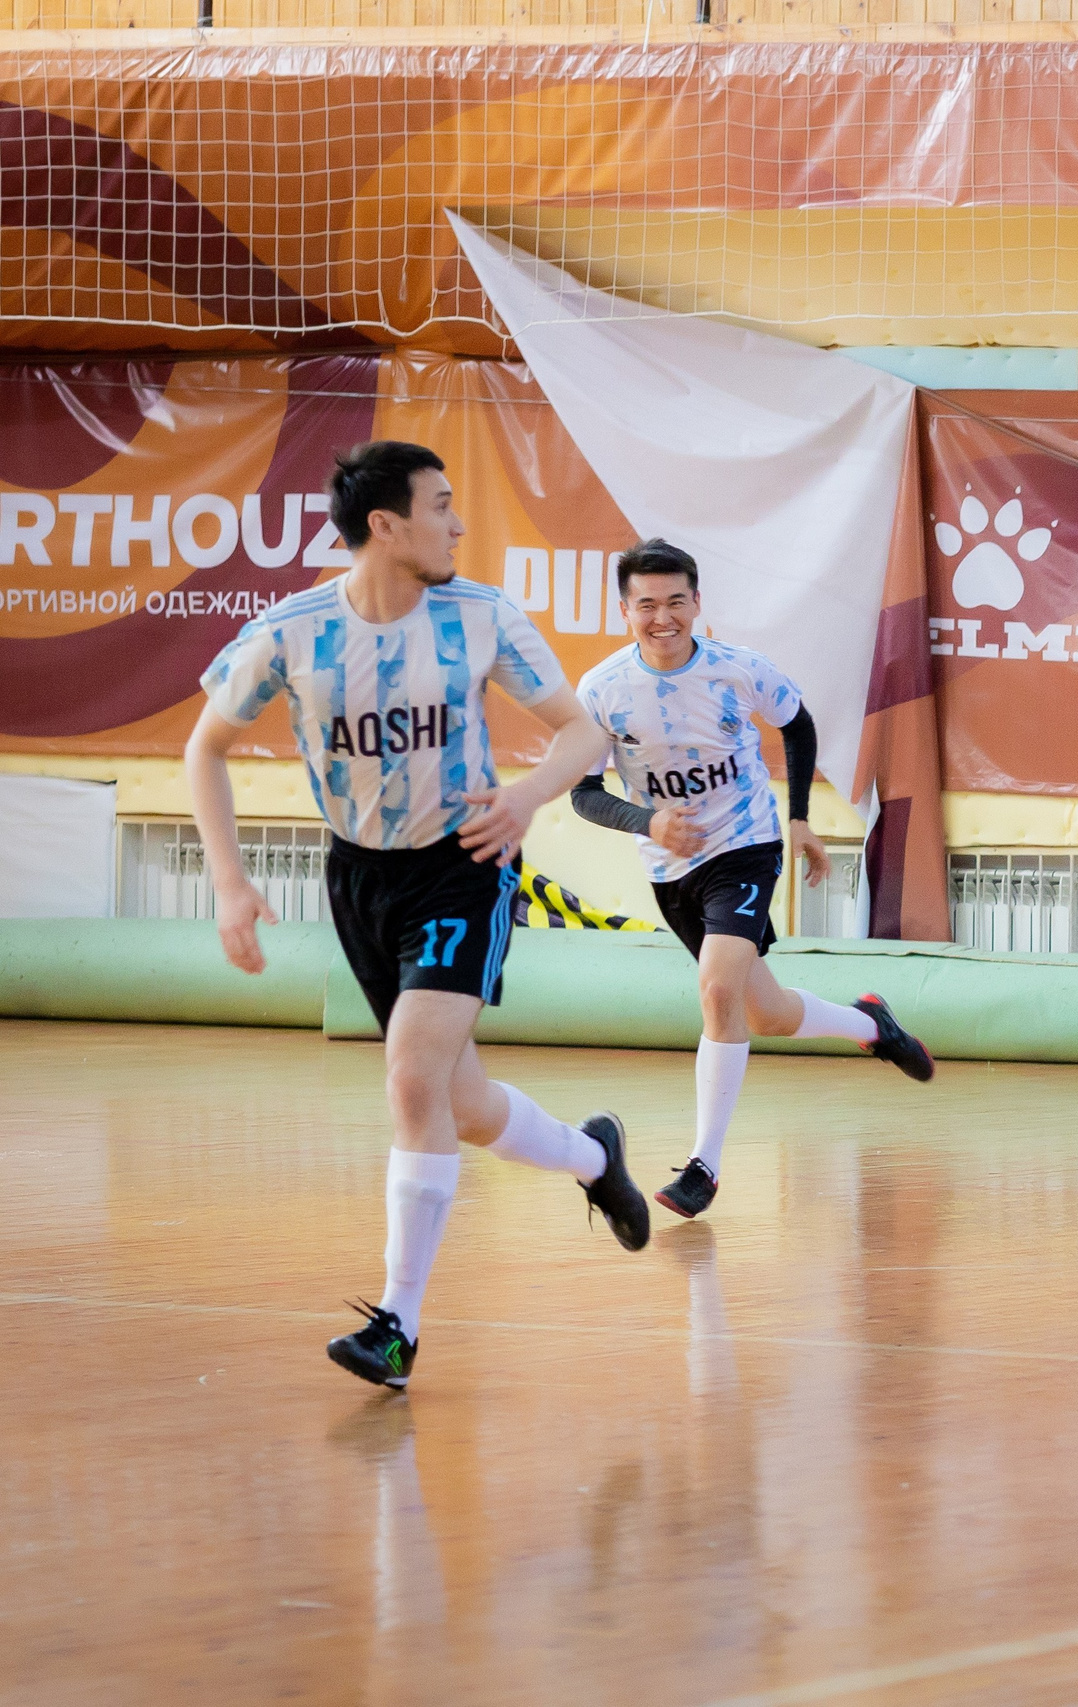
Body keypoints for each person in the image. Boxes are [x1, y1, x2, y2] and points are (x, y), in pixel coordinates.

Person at [185, 440, 655, 1391]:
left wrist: (524, 800)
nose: (460, 522)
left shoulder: (480, 615)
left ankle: (397, 1325)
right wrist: (229, 880)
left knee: (409, 1081)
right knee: (458, 1099)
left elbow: (582, 730)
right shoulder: (290, 630)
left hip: (463, 864)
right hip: (360, 877)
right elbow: (207, 748)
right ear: (387, 525)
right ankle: (590, 1156)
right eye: (442, 505)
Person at [571, 538, 934, 1221]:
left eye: (676, 601)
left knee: (716, 984)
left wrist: (797, 819)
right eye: (646, 604)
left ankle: (704, 1164)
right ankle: (870, 1023)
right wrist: (648, 821)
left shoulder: (738, 670)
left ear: (697, 603)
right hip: (670, 865)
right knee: (762, 1011)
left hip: (745, 844)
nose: (663, 617)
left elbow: (796, 725)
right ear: (625, 610)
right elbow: (584, 794)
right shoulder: (601, 690)